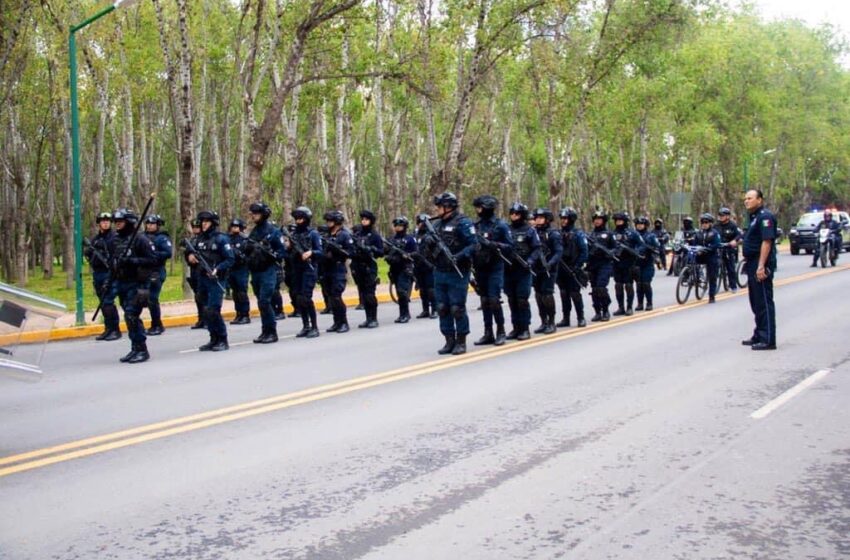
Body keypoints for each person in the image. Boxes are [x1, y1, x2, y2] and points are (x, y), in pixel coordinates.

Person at [429, 192, 477, 355]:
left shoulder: (462, 223)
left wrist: (458, 256)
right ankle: (449, 340)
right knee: (442, 307)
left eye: (440, 206)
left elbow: (474, 245)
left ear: (448, 207)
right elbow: (425, 249)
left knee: (457, 307)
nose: (437, 210)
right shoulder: (436, 225)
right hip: (440, 271)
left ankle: (461, 341)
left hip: (458, 271)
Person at [110, 208, 158, 364]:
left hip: (137, 283)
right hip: (122, 282)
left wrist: (133, 261)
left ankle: (142, 349)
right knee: (128, 316)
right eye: (116, 222)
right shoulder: (115, 240)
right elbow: (113, 262)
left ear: (129, 222)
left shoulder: (140, 240)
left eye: (120, 222)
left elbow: (152, 260)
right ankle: (135, 348)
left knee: (131, 315)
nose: (117, 225)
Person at [186, 211, 235, 351]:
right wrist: (190, 257)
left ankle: (222, 339)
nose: (203, 224)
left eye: (207, 221)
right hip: (201, 278)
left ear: (213, 223)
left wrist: (218, 269)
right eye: (202, 221)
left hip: (216, 279)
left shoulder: (221, 239)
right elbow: (191, 252)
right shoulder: (200, 239)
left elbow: (230, 259)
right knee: (205, 310)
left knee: (213, 309)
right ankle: (213, 339)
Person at [471, 195, 512, 346]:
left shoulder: (500, 225)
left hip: (495, 267)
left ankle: (500, 331)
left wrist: (492, 244)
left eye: (480, 207)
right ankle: (488, 332)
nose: (477, 210)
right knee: (485, 300)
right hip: (480, 267)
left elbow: (510, 247)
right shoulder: (475, 226)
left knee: (494, 299)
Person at [742, 190, 777, 350]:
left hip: (760, 262)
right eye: (745, 199)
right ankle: (759, 333)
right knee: (755, 301)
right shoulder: (755, 217)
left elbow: (767, 242)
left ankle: (768, 338)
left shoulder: (765, 217)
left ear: (760, 200)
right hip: (751, 262)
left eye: (750, 198)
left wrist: (761, 265)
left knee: (763, 301)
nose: (746, 201)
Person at [245, 202, 285, 344]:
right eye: (252, 213)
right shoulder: (254, 231)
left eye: (256, 213)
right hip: (256, 271)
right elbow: (247, 249)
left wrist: (270, 253)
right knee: (261, 302)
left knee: (265, 301)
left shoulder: (273, 231)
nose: (253, 216)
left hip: (268, 270)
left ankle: (272, 332)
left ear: (264, 214)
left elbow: (282, 252)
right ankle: (265, 331)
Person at [504, 202, 540, 340]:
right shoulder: (506, 229)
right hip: (508, 270)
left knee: (522, 300)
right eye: (512, 213)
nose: (514, 216)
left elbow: (537, 248)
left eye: (517, 213)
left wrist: (530, 261)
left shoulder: (530, 230)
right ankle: (515, 327)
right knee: (512, 300)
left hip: (523, 270)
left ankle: (525, 328)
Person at [286, 206, 324, 338]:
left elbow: (320, 252)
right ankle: (305, 326)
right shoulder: (294, 234)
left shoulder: (313, 233)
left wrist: (311, 253)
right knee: (297, 297)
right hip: (297, 269)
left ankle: (314, 327)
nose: (298, 220)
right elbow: (288, 253)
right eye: (296, 218)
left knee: (306, 298)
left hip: (309, 269)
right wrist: (289, 247)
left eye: (300, 218)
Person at [84, 212, 121, 341]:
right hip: (98, 274)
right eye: (102, 221)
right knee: (103, 302)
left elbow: (117, 255)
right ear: (99, 223)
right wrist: (89, 252)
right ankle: (108, 329)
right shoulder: (95, 239)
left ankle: (115, 330)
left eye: (107, 221)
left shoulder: (114, 238)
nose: (105, 223)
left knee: (108, 302)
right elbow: (90, 257)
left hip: (109, 273)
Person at [322, 210, 355, 333]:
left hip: (338, 268)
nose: (328, 223)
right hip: (327, 268)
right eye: (327, 220)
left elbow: (351, 252)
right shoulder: (326, 234)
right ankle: (336, 322)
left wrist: (338, 251)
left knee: (336, 296)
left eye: (331, 220)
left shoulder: (344, 235)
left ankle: (344, 322)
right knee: (330, 296)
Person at [351, 210, 384, 328]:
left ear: (371, 221)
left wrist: (371, 249)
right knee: (363, 294)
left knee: (370, 294)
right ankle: (368, 318)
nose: (364, 221)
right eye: (363, 219)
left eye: (366, 219)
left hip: (369, 266)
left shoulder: (374, 235)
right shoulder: (357, 235)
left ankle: (374, 318)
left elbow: (381, 252)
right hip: (358, 266)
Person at [531, 208, 562, 334]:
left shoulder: (553, 234)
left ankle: (552, 322)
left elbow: (558, 252)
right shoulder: (533, 233)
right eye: (536, 217)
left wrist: (550, 264)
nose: (537, 219)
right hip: (536, 268)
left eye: (541, 217)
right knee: (538, 294)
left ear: (547, 219)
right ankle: (543, 321)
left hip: (549, 269)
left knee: (547, 295)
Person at [556, 207, 588, 328]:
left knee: (575, 293)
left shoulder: (578, 234)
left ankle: (581, 317)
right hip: (561, 268)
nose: (563, 221)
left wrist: (577, 266)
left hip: (573, 267)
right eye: (562, 218)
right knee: (564, 293)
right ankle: (566, 318)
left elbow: (584, 252)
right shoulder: (558, 233)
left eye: (566, 218)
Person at [611, 212, 645, 316]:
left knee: (628, 285)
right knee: (618, 285)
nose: (618, 222)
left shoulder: (632, 233)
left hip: (629, 262)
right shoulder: (612, 234)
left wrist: (635, 251)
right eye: (617, 221)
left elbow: (642, 245)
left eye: (620, 220)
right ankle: (621, 307)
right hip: (617, 262)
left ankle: (629, 307)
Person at [385, 216, 418, 323]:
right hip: (394, 268)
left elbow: (416, 252)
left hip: (405, 267)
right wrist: (388, 255)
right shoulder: (391, 239)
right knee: (399, 293)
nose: (398, 228)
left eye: (400, 225)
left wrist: (407, 255)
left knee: (402, 291)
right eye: (396, 225)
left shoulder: (409, 238)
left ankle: (406, 314)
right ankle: (402, 314)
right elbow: (384, 251)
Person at [143, 215, 172, 335]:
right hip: (143, 271)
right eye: (148, 223)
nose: (149, 226)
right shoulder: (142, 237)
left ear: (157, 225)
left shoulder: (162, 238)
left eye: (152, 224)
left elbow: (168, 253)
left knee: (152, 299)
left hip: (156, 271)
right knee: (143, 299)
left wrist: (153, 254)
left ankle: (157, 324)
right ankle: (154, 324)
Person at [587, 210, 616, 321]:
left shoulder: (609, 234)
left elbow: (616, 247)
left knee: (601, 287)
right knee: (594, 289)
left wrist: (610, 252)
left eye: (600, 219)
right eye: (595, 219)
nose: (597, 221)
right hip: (592, 264)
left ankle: (605, 310)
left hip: (605, 264)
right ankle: (597, 311)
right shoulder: (590, 235)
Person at [691, 213, 721, 303]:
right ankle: (693, 276)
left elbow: (716, 244)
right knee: (689, 259)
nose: (704, 224)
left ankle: (711, 296)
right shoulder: (698, 233)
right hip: (700, 255)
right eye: (702, 222)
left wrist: (707, 249)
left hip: (711, 255)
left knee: (712, 275)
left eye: (706, 222)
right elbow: (694, 243)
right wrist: (695, 249)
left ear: (710, 223)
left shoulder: (715, 233)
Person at [227, 218, 251, 324]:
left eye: (236, 227)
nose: (234, 229)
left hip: (242, 268)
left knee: (242, 291)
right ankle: (238, 314)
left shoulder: (245, 239)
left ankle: (245, 314)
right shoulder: (228, 239)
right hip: (232, 268)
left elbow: (246, 254)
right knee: (235, 293)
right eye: (233, 227)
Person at [414, 214, 438, 319]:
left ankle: (435, 309)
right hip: (418, 266)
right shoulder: (415, 235)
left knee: (431, 290)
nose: (420, 225)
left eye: (422, 223)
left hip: (429, 265)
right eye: (419, 222)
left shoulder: (432, 235)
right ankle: (425, 310)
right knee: (422, 290)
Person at [184, 218, 206, 329]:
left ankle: (207, 319)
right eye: (194, 227)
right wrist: (189, 257)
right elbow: (187, 253)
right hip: (194, 270)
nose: (196, 229)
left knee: (205, 296)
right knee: (198, 296)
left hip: (204, 270)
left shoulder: (206, 239)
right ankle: (201, 319)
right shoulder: (192, 241)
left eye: (198, 227)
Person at [634, 217, 660, 311]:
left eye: (641, 224)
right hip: (636, 263)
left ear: (645, 225)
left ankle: (649, 303)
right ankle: (640, 303)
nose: (640, 226)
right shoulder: (633, 235)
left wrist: (651, 250)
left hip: (648, 263)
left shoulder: (651, 236)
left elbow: (657, 247)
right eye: (638, 224)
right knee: (639, 284)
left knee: (646, 283)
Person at [717, 207, 742, 291]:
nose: (720, 217)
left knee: (730, 267)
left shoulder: (732, 225)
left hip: (729, 248)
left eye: (722, 215)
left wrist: (734, 241)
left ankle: (733, 285)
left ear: (727, 216)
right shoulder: (716, 225)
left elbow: (739, 235)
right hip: (718, 248)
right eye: (719, 215)